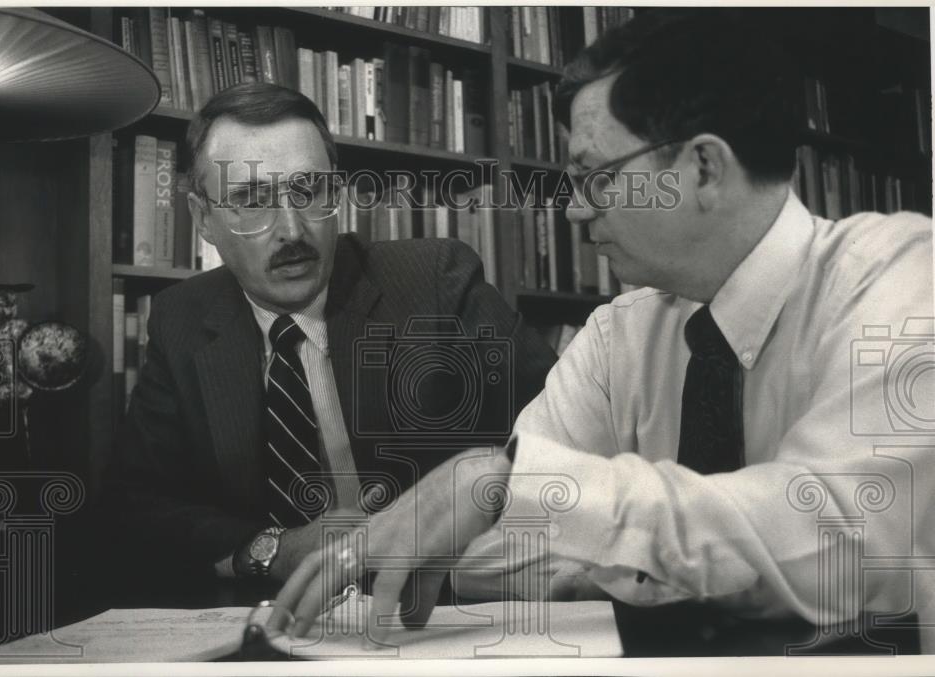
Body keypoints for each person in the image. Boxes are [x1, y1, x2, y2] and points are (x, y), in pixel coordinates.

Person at [268, 9, 934, 648]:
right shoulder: (618, 335)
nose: (576, 211)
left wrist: (528, 495)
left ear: (702, 167)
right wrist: (628, 550)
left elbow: (841, 540)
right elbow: (480, 549)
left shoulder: (901, 275)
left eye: (595, 176)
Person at [99, 82, 556, 588]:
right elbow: (136, 510)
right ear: (203, 218)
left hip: (440, 611)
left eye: (308, 191)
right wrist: (271, 548)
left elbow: (564, 448)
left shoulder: (436, 284)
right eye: (251, 201)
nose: (292, 231)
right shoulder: (180, 318)